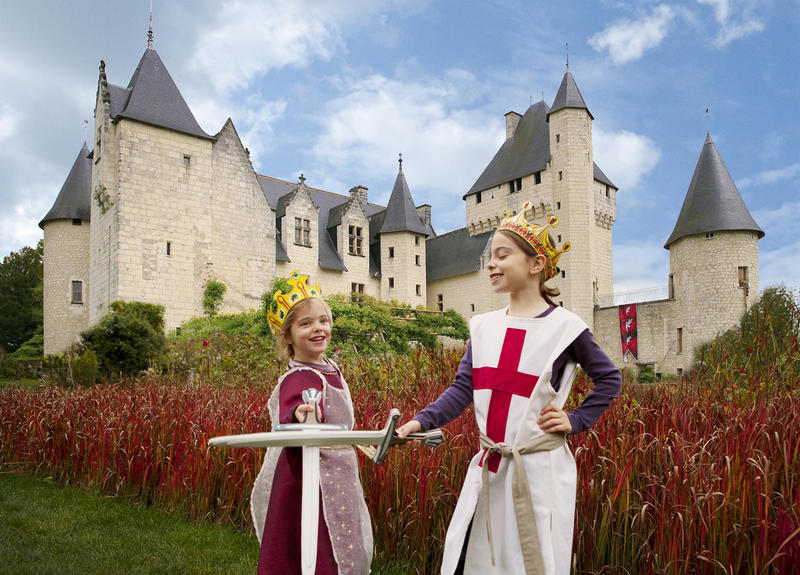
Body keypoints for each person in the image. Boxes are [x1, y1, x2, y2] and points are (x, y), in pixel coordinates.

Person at [396, 203, 621, 575]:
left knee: (531, 561)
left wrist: (576, 419)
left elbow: (609, 379)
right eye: (490, 256)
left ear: (536, 265)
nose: (491, 264)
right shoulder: (483, 327)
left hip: (538, 471)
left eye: (503, 255)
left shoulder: (566, 327)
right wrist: (418, 423)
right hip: (492, 465)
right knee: (483, 558)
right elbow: (462, 389)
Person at [250, 271, 373, 575]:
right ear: (287, 335)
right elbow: (293, 410)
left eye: (323, 320)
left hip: (338, 472)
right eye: (305, 324)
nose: (318, 328)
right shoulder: (300, 377)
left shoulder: (329, 368)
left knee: (342, 540)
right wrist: (302, 415)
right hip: (309, 481)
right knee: (315, 546)